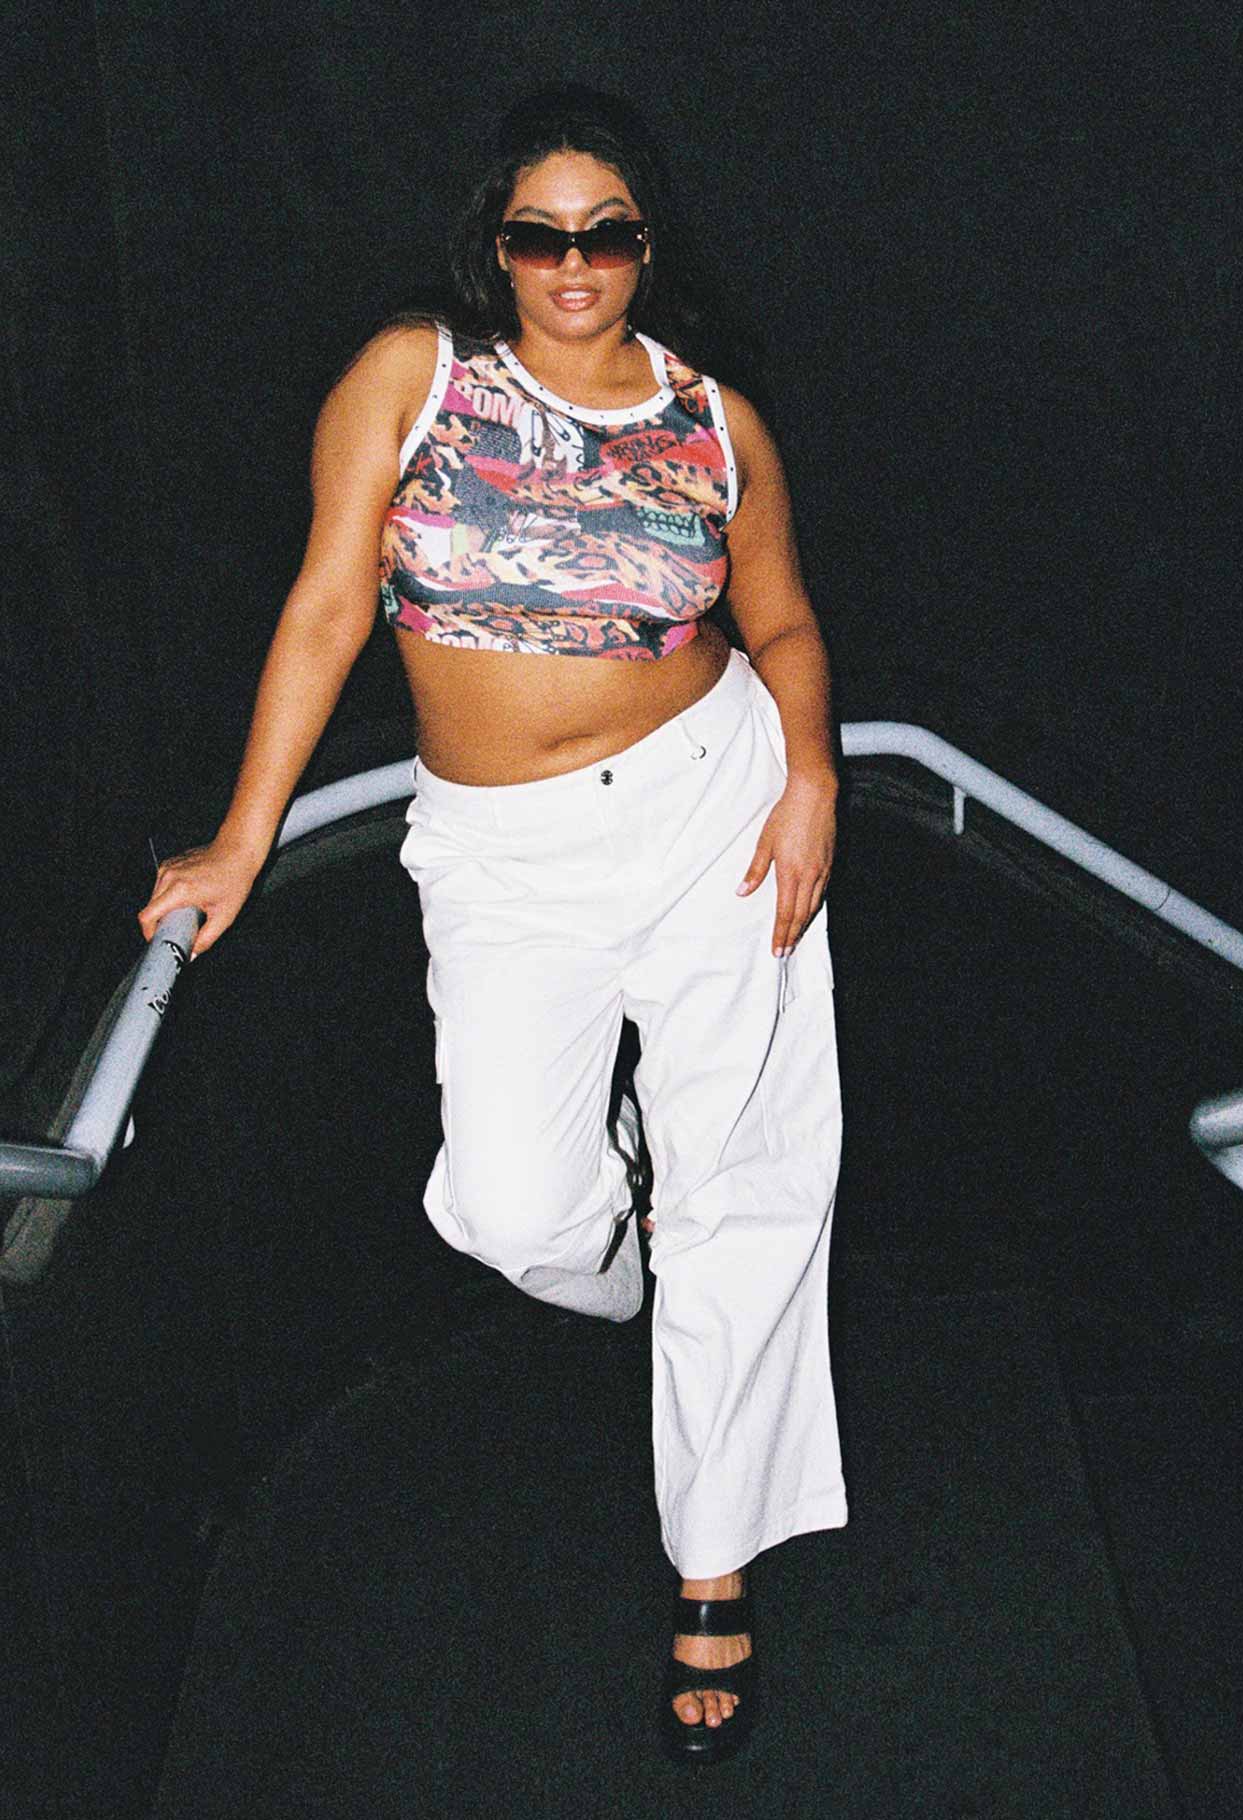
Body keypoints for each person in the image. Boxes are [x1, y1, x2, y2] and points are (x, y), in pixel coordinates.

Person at [139, 83, 847, 1765]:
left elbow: (784, 623)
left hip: (714, 805)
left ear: (647, 245)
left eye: (606, 233)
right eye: (540, 233)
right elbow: (329, 606)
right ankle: (643, 1244)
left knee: (748, 1190)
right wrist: (241, 838)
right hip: (507, 857)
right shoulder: (418, 376)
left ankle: (713, 1562)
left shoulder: (716, 419)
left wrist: (813, 772)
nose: (573, 262)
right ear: (498, 245)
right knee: (519, 1205)